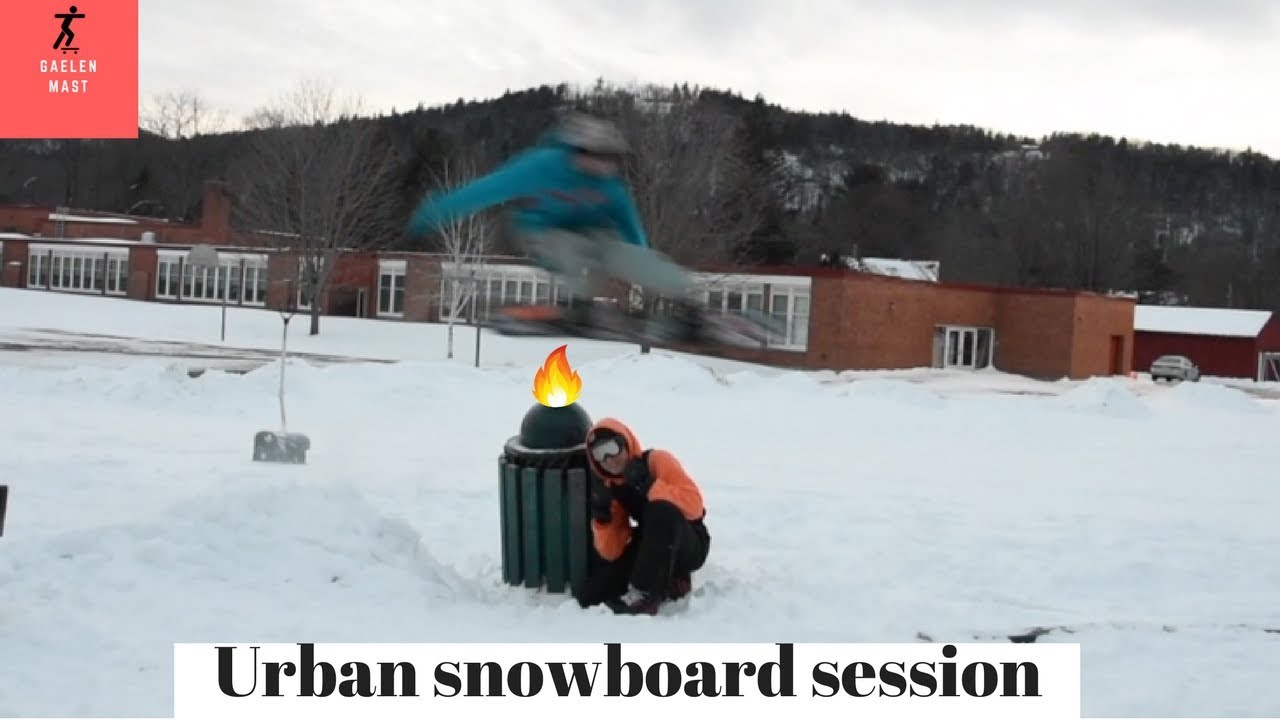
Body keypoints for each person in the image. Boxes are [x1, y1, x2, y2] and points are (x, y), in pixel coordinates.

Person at [405, 111, 705, 340]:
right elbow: (484, 190)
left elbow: (632, 235)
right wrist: (434, 213)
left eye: (612, 161)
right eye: (601, 159)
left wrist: (646, 273)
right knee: (572, 249)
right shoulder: (539, 167)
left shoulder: (610, 187)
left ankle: (687, 300)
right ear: (579, 152)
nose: (606, 168)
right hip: (538, 234)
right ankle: (576, 305)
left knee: (616, 251)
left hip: (590, 238)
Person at [576, 417, 711, 615]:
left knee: (661, 510)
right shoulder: (613, 487)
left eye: (612, 448)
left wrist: (650, 487)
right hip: (651, 541)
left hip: (688, 540)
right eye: (600, 454)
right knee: (590, 595)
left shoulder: (657, 461)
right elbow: (612, 551)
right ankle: (668, 579)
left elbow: (695, 506)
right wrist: (603, 519)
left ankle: (645, 593)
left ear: (625, 443)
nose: (609, 459)